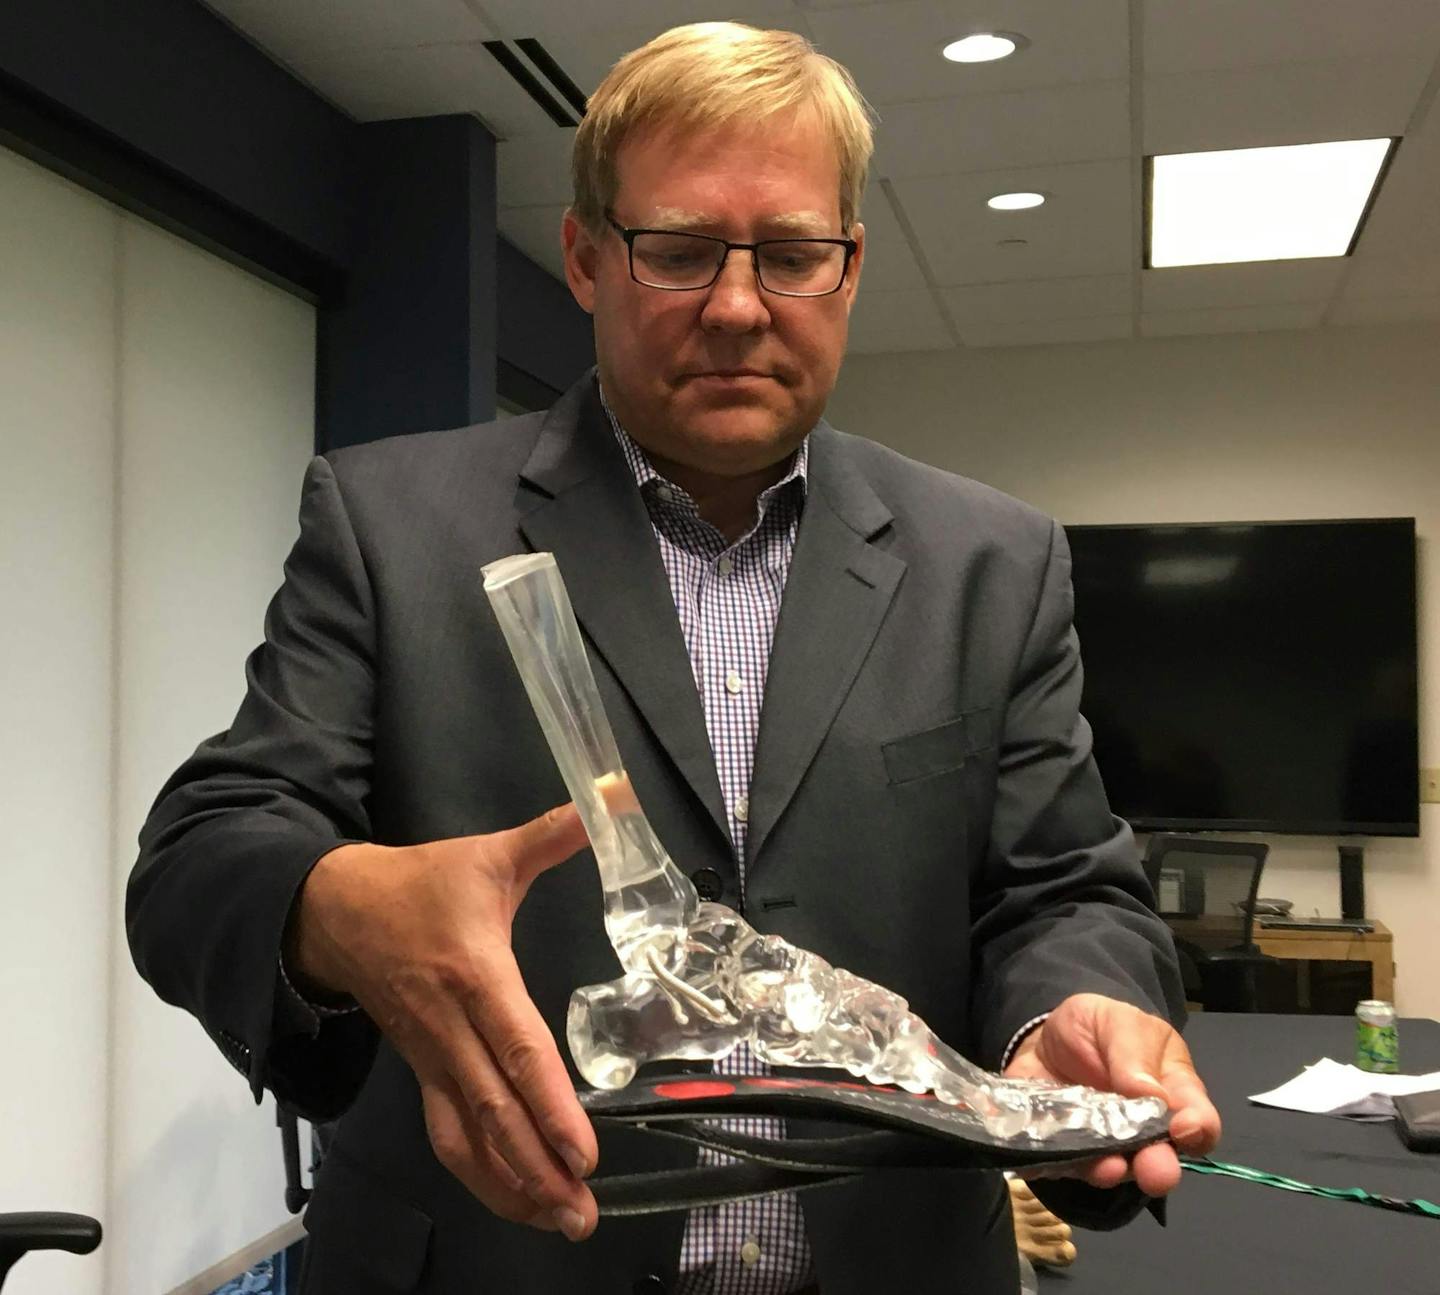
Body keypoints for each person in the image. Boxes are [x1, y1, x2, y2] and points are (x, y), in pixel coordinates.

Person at [127, 21, 1219, 1295]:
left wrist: (1064, 1007)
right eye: (682, 250)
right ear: (587, 259)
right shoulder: (391, 525)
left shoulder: (993, 560)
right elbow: (204, 850)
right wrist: (336, 909)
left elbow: (1065, 891)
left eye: (793, 254)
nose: (740, 304)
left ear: (850, 267)